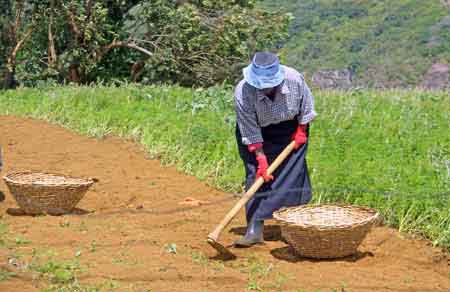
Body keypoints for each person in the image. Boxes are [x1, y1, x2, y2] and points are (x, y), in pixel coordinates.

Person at [233, 51, 317, 247]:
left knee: (293, 175)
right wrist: (261, 159)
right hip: (256, 135)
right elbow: (249, 128)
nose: (265, 88)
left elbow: (306, 106)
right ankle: (254, 230)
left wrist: (301, 131)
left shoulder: (294, 79)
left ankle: (294, 228)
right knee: (256, 176)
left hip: (292, 131)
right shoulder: (243, 92)